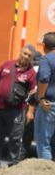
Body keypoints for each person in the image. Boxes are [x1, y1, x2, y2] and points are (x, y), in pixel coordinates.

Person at [0, 45, 38, 167]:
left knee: (15, 138)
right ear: (20, 52)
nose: (25, 56)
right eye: (24, 53)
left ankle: (13, 165)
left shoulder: (31, 74)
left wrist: (30, 112)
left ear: (32, 58)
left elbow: (33, 94)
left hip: (17, 111)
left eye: (29, 55)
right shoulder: (7, 64)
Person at [35, 32, 55, 161]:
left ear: (44, 46)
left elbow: (44, 78)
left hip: (49, 105)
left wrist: (41, 98)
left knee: (44, 144)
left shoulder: (46, 59)